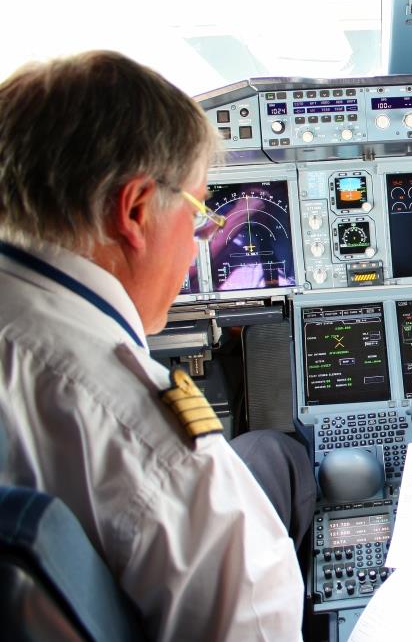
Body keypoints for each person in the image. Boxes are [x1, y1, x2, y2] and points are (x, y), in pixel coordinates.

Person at [0, 51, 314, 641]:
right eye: (200, 214)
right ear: (136, 210)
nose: (201, 241)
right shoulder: (151, 447)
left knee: (270, 452)